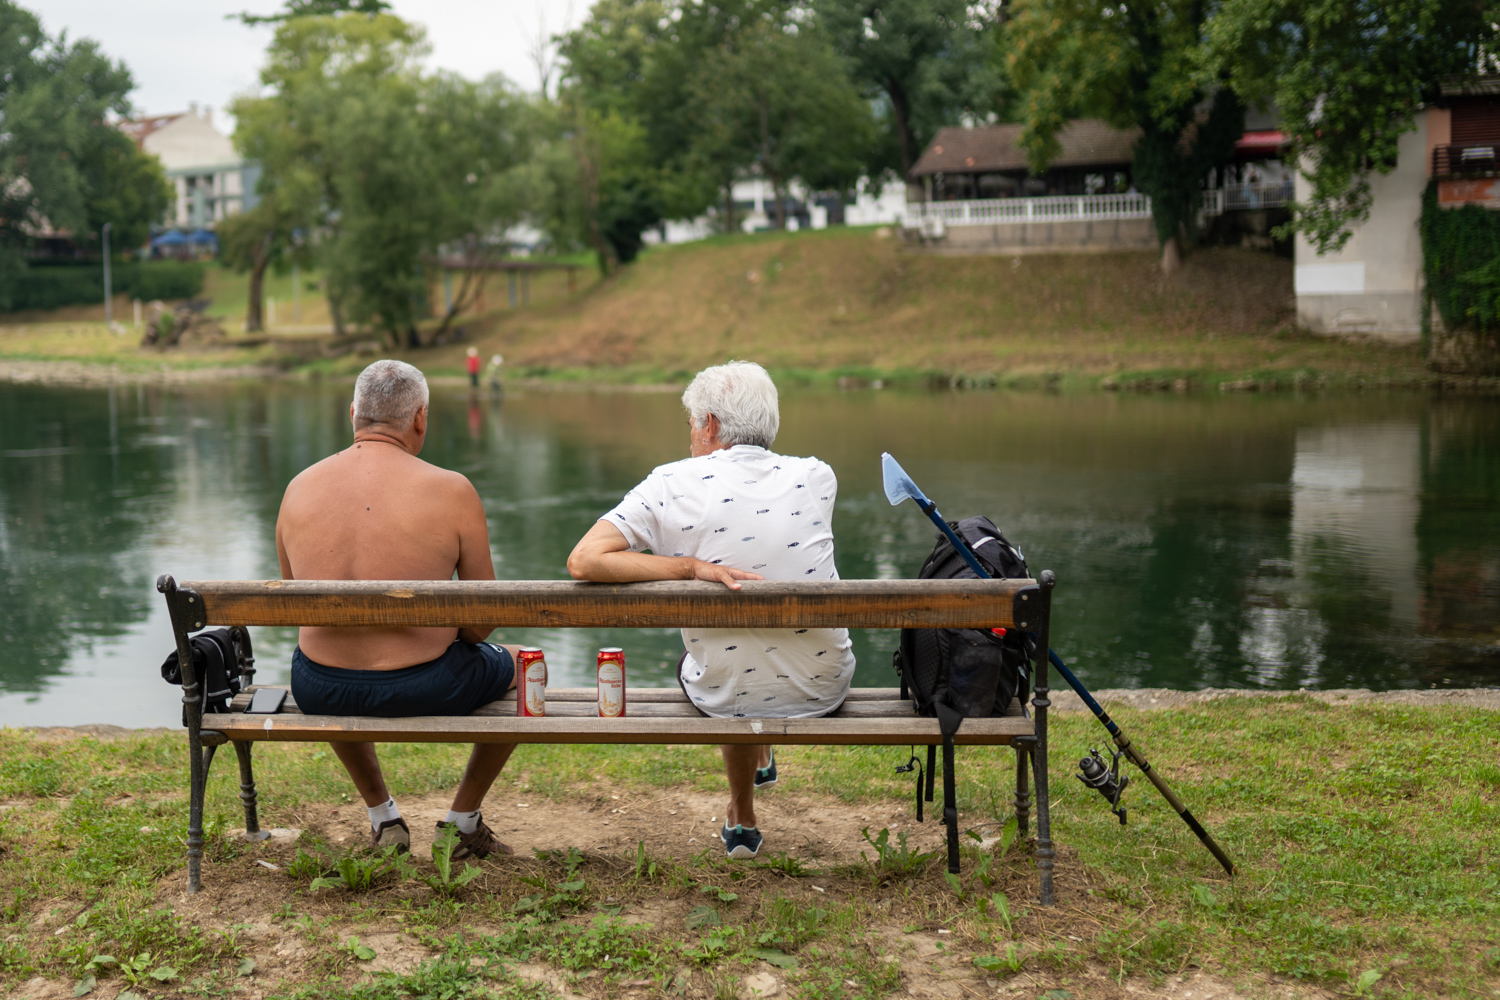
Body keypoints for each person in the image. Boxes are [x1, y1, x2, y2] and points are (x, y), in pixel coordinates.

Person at [567, 361, 855, 860]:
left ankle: (742, 817)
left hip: (728, 690)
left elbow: (584, 560)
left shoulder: (671, 482)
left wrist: (686, 567)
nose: (690, 439)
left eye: (692, 426)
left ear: (712, 426)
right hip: (821, 684)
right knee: (749, 646)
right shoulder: (817, 476)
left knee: (726, 664)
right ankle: (761, 753)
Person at [275, 359, 518, 859]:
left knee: (329, 656)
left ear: (353, 415)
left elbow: (293, 597)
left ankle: (383, 817)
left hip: (319, 686)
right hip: (427, 683)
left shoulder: (298, 487)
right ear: (420, 419)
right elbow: (482, 619)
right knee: (526, 661)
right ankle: (461, 821)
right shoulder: (452, 489)